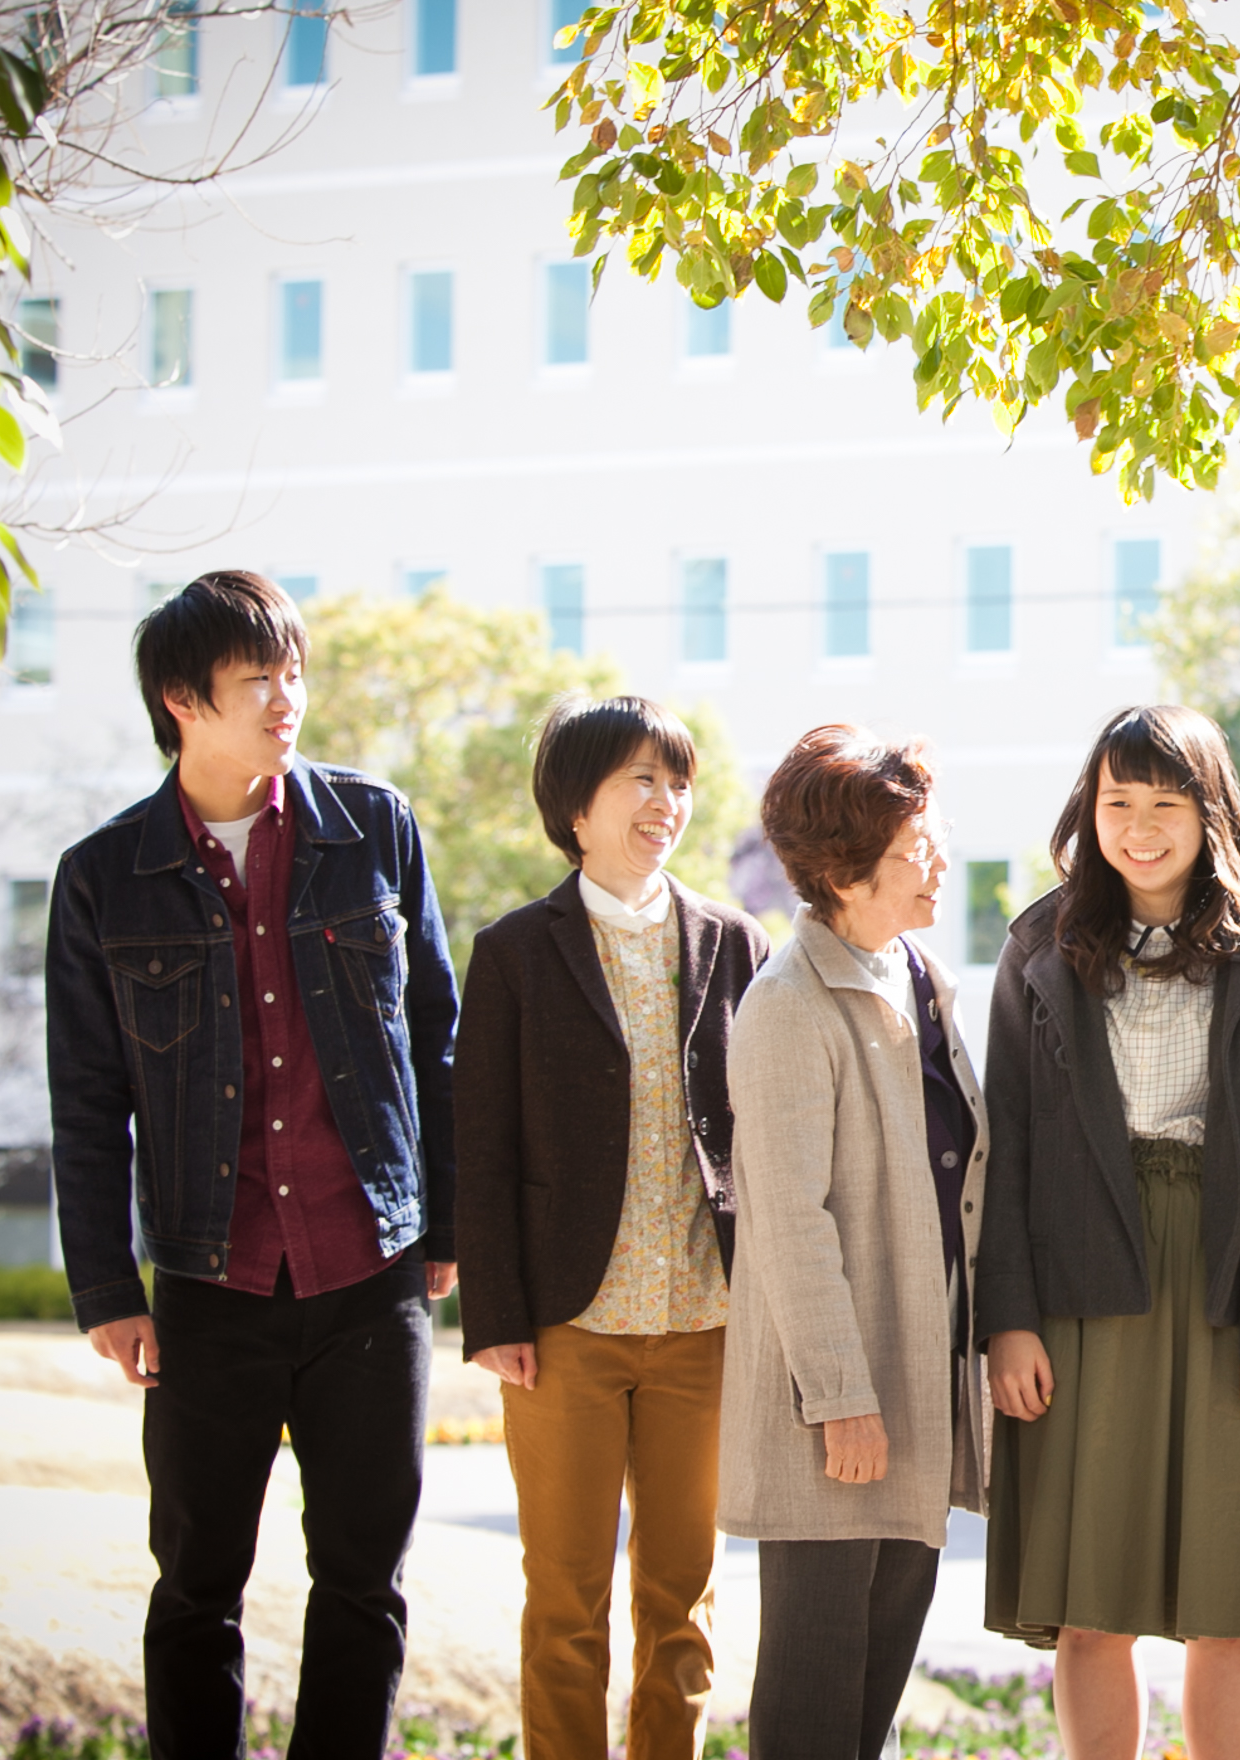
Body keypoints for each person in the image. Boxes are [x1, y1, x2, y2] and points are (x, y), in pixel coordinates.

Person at [46, 570, 459, 1755]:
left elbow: (437, 1035)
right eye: (256, 679)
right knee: (195, 1586)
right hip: (207, 1281)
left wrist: (443, 1225)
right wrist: (106, 1289)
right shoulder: (103, 876)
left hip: (369, 1272)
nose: (288, 699)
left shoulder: (372, 827)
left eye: (294, 673)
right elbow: (87, 1097)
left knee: (365, 1582)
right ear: (182, 700)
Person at [978, 704, 1240, 1760]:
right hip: (1082, 1280)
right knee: (1092, 1606)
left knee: (1230, 1604)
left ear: (1210, 812)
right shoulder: (1039, 943)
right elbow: (1008, 1145)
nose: (1138, 828)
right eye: (1116, 802)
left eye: (1166, 804)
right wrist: (1008, 1320)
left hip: (1228, 1284)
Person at [454, 695, 770, 1759]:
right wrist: (498, 1315)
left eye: (677, 782)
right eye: (640, 779)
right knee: (566, 1601)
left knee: (685, 1600)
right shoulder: (513, 952)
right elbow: (481, 1145)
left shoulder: (734, 943)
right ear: (575, 808)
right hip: (565, 1333)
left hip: (703, 1325)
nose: (665, 801)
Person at [720, 725, 991, 1759]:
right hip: (840, 1408)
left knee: (870, 1696)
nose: (941, 862)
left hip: (913, 1385)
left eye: (936, 835)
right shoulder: (787, 1005)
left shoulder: (916, 975)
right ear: (842, 873)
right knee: (813, 1702)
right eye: (917, 849)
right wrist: (840, 1398)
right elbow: (790, 1224)